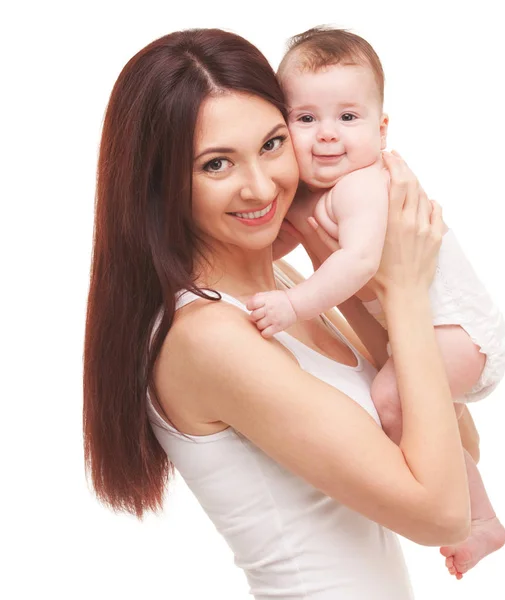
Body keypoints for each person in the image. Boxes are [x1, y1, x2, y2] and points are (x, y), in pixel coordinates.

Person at [84, 28, 475, 599]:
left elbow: (458, 451)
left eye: (271, 144)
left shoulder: (291, 287)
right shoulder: (209, 336)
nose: (260, 185)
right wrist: (407, 293)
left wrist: (356, 269)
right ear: (160, 186)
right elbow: (442, 516)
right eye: (217, 165)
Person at [247, 27, 505, 579]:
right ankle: (469, 494)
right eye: (306, 118)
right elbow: (274, 244)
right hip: (421, 331)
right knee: (409, 405)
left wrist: (292, 305)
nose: (327, 137)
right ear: (281, 125)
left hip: (458, 331)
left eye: (348, 118)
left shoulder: (363, 185)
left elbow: (360, 262)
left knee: (391, 403)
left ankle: (480, 519)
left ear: (381, 128)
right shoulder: (311, 194)